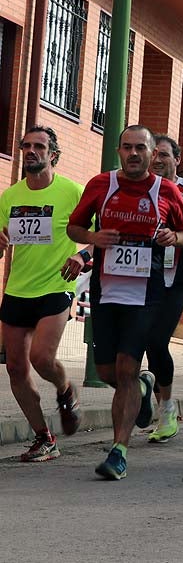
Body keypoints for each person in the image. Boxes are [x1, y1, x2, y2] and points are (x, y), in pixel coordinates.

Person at [67, 125, 183, 479]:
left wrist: (173, 236)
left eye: (141, 148)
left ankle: (119, 450)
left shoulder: (165, 190)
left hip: (146, 293)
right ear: (119, 151)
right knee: (108, 371)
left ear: (153, 154)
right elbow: (74, 227)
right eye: (127, 148)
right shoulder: (100, 185)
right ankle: (142, 387)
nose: (134, 154)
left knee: (124, 368)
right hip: (106, 290)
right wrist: (93, 236)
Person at [0, 126, 86, 462]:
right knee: (16, 369)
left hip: (56, 285)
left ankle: (65, 390)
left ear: (54, 154)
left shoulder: (72, 192)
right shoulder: (10, 196)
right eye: (26, 146)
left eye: (39, 146)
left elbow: (99, 235)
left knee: (40, 358)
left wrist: (82, 256)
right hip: (18, 289)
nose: (31, 151)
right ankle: (44, 438)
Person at [144, 135, 183, 443]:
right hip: (139, 275)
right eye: (153, 154)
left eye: (164, 155)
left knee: (156, 340)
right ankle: (144, 391)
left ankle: (166, 409)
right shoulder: (138, 187)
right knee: (138, 341)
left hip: (176, 279)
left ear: (177, 160)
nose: (157, 160)